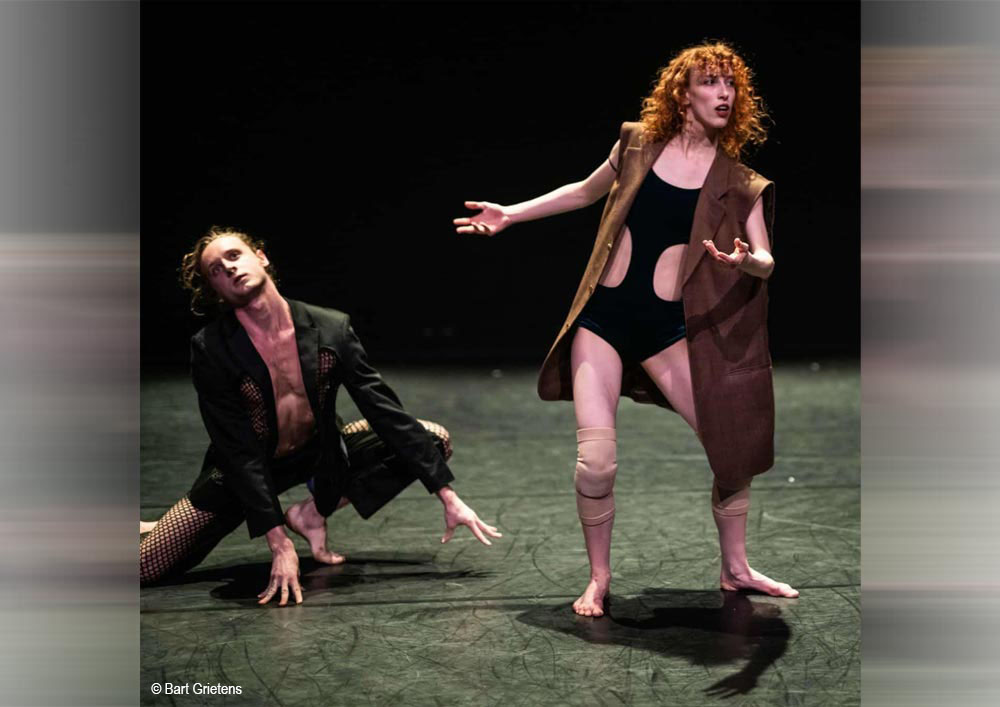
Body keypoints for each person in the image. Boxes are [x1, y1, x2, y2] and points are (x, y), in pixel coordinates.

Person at [454, 41, 797, 617]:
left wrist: (747, 261)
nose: (723, 93)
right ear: (683, 94)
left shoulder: (740, 183)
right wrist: (510, 214)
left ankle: (736, 568)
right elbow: (584, 192)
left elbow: (767, 259)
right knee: (596, 463)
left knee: (732, 451)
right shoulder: (638, 143)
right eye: (710, 82)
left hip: (667, 332)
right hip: (604, 323)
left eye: (730, 84)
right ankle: (599, 577)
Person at [140, 227, 501, 606]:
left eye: (234, 255)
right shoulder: (211, 348)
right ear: (215, 289)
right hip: (242, 472)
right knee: (145, 567)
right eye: (215, 270)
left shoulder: (330, 327)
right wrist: (278, 543)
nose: (228, 268)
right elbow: (237, 450)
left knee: (433, 438)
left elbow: (383, 410)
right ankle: (156, 527)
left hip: (319, 455)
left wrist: (448, 496)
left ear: (260, 256)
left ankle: (311, 514)